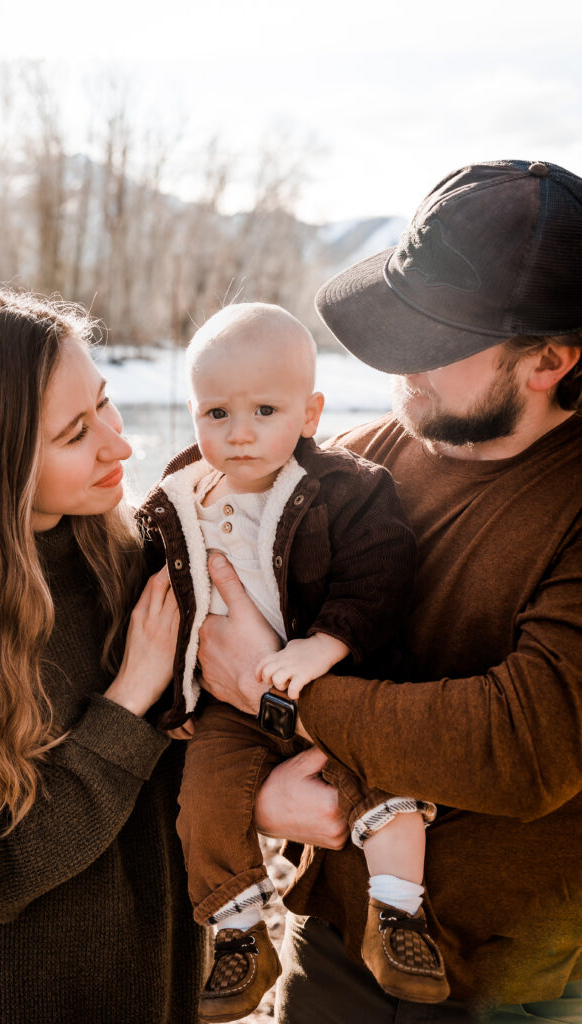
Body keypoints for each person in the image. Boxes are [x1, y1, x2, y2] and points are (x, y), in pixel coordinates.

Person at [195, 159, 582, 1022]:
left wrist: (279, 693)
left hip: (508, 982)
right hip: (330, 950)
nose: (397, 360)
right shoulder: (358, 459)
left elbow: (523, 742)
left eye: (434, 337)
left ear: (549, 360)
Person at [0, 286, 205, 1024]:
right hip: (10, 997)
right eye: (75, 433)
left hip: (157, 977)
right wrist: (130, 698)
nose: (120, 444)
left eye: (105, 402)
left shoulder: (126, 551)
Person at [137, 301, 444, 1021]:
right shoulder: (173, 503)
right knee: (203, 803)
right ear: (192, 414)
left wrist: (326, 642)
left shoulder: (347, 488)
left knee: (384, 786)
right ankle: (240, 932)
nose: (238, 433)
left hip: (338, 685)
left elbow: (381, 573)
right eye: (215, 413)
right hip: (225, 708)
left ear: (309, 412)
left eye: (264, 410)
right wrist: (170, 706)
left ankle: (398, 915)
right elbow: (159, 609)